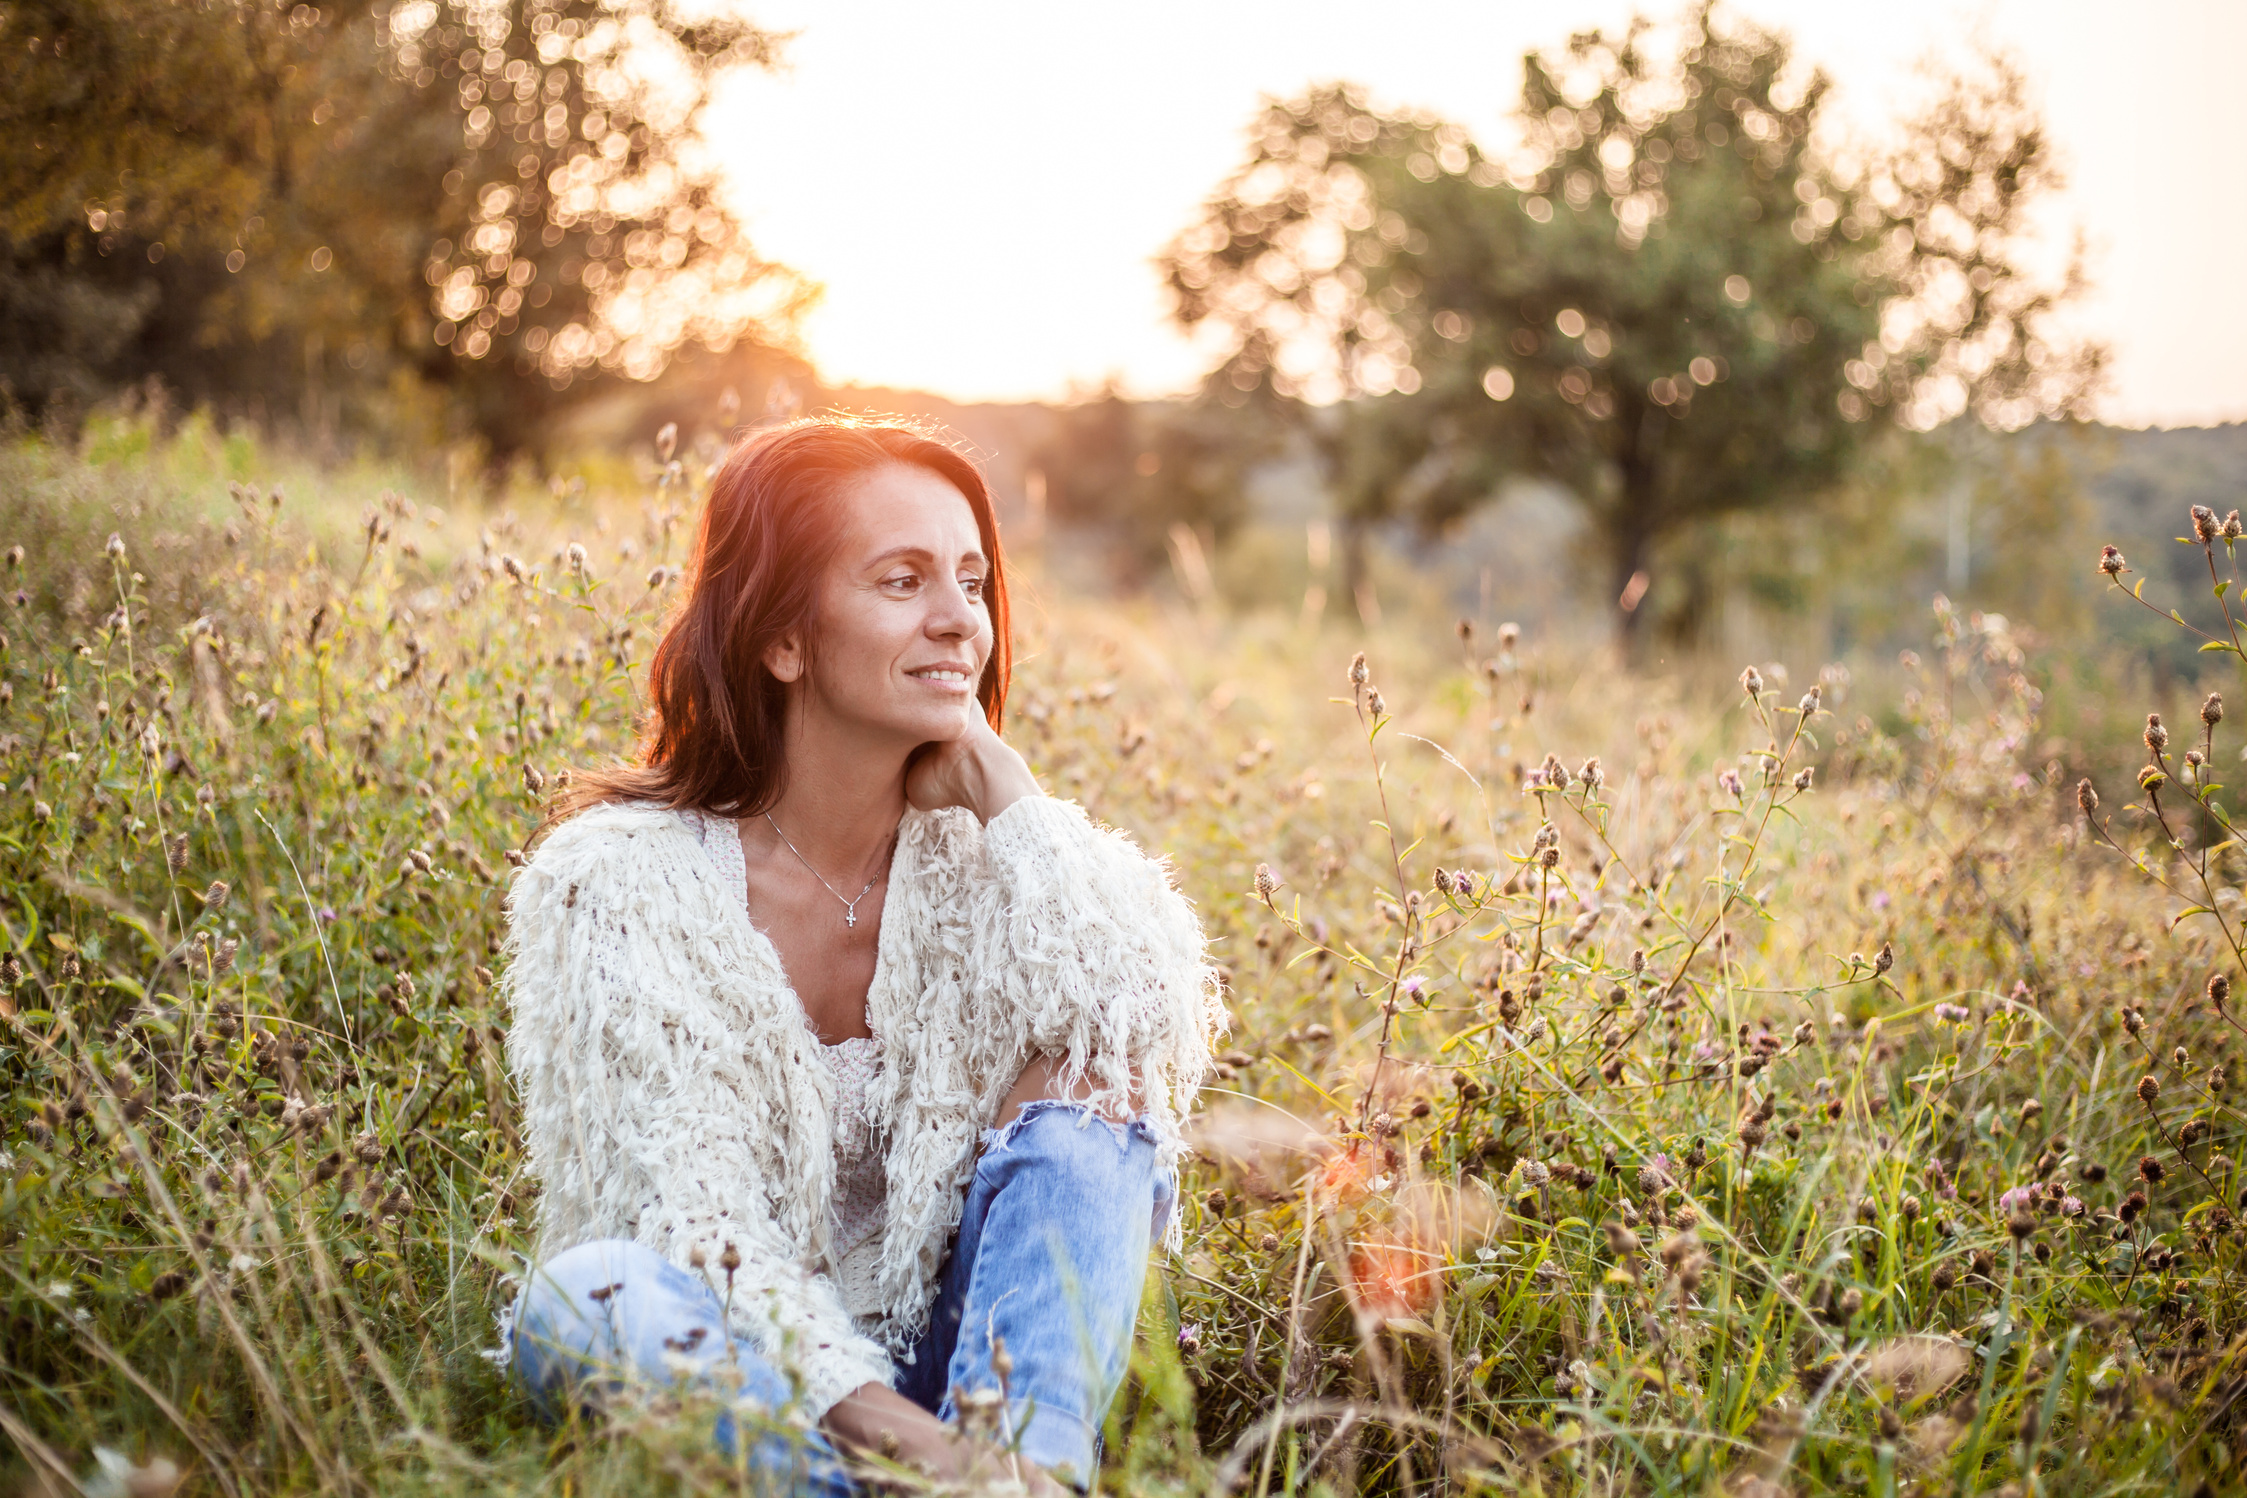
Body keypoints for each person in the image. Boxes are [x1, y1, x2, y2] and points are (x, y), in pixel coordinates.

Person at [500, 415, 1222, 1493]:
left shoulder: (991, 863)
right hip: (752, 1380)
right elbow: (697, 1225)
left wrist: (1005, 789)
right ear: (783, 637)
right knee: (586, 1296)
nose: (957, 621)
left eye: (972, 583)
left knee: (1094, 1081)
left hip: (976, 1386)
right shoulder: (614, 879)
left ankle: (1033, 1472)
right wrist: (933, 1455)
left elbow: (1152, 1029)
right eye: (902, 581)